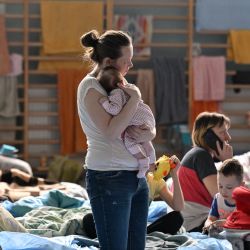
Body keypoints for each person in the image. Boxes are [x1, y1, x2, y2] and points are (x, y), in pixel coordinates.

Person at [77, 29, 155, 250]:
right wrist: (135, 97)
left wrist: (149, 133)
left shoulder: (116, 83)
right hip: (109, 177)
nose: (130, 66)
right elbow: (111, 131)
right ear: (109, 61)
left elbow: (140, 117)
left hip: (136, 178)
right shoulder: (90, 87)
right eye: (127, 61)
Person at [82, 155, 184, 239]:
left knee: (177, 218)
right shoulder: (121, 177)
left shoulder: (155, 181)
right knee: (88, 220)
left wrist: (174, 174)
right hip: (117, 226)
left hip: (138, 229)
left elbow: (178, 206)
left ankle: (136, 237)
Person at [177, 111, 233, 232]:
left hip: (189, 220)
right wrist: (228, 162)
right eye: (223, 132)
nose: (228, 137)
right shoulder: (201, 156)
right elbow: (225, 196)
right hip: (194, 222)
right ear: (208, 136)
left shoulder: (198, 154)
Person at [97, 66, 156, 178]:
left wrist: (105, 102)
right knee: (145, 139)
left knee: (130, 141)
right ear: (121, 81)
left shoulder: (116, 93)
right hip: (147, 115)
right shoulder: (131, 87)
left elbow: (115, 110)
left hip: (136, 119)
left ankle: (143, 161)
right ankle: (152, 160)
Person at [203, 158, 245, 233]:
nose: (223, 191)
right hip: (221, 237)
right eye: (220, 186)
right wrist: (208, 224)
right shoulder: (218, 198)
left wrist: (224, 223)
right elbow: (211, 219)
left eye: (229, 187)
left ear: (241, 186)